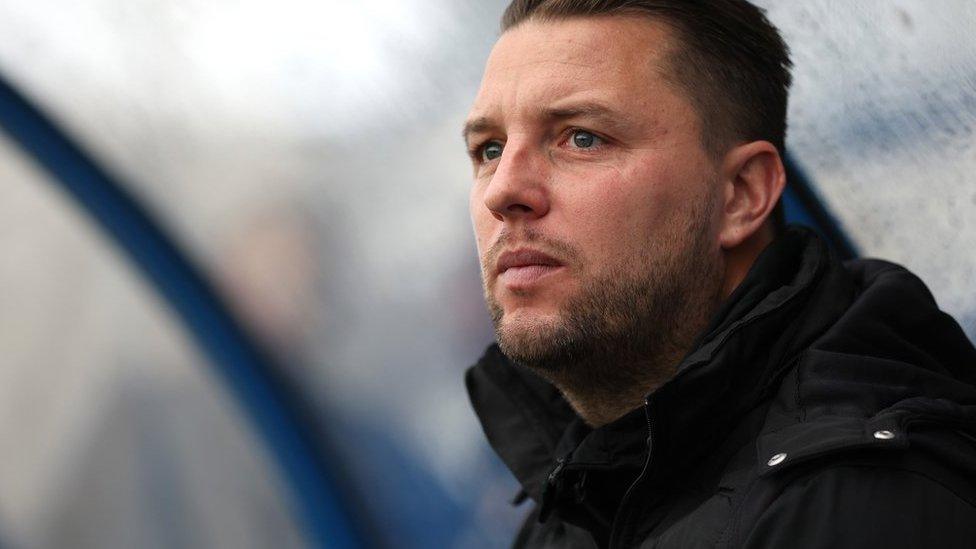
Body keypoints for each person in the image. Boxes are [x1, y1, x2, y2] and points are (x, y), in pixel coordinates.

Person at [461, 1, 976, 547]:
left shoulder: (861, 509)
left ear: (741, 195)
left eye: (582, 138)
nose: (502, 191)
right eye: (489, 149)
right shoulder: (576, 502)